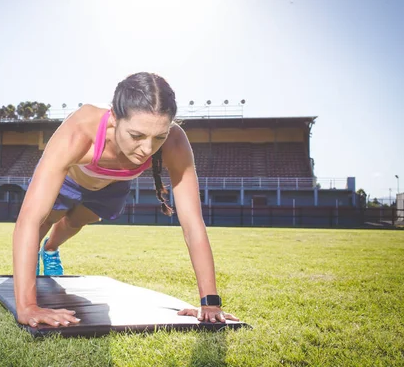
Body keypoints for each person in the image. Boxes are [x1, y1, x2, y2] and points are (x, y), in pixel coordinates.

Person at [13, 72, 239, 328]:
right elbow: (27, 220)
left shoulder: (175, 140)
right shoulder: (80, 131)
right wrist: (28, 307)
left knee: (77, 221)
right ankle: (40, 253)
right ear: (114, 118)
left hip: (112, 184)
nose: (147, 149)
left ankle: (50, 249)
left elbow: (192, 223)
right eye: (137, 136)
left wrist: (209, 302)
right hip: (70, 180)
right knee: (44, 220)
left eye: (159, 137)